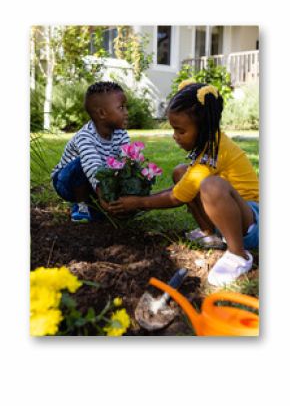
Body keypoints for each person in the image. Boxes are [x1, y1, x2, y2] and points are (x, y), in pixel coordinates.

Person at [105, 82, 259, 286]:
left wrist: (139, 202)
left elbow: (178, 196)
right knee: (181, 172)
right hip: (234, 217)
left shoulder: (214, 152)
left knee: (211, 186)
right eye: (174, 130)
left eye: (181, 131)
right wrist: (141, 199)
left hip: (252, 223)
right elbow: (183, 187)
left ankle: (238, 254)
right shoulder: (209, 142)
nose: (175, 137)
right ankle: (209, 233)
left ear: (203, 128)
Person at [51, 81, 129, 222]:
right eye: (121, 108)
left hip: (94, 182)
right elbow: (92, 168)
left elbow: (126, 162)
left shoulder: (121, 134)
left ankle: (93, 206)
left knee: (124, 167)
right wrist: (103, 196)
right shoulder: (85, 136)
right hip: (66, 182)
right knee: (81, 163)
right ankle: (80, 205)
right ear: (102, 113)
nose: (126, 112)